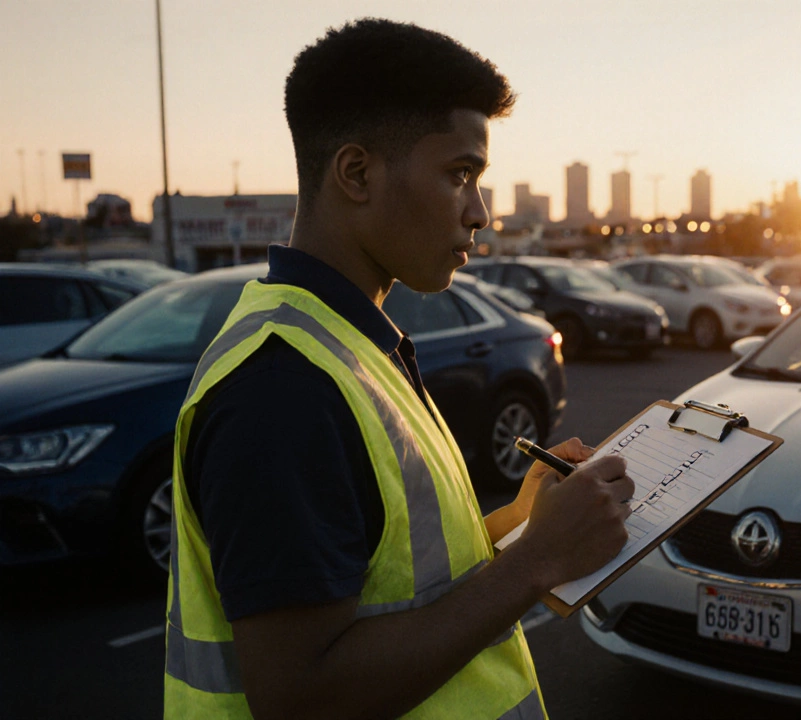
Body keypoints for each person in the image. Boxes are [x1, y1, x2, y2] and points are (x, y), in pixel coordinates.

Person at [163, 18, 635, 720]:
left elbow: (395, 578)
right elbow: (302, 696)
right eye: (460, 174)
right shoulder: (282, 386)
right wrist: (536, 563)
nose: (479, 213)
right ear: (357, 173)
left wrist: (521, 526)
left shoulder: (342, 340)